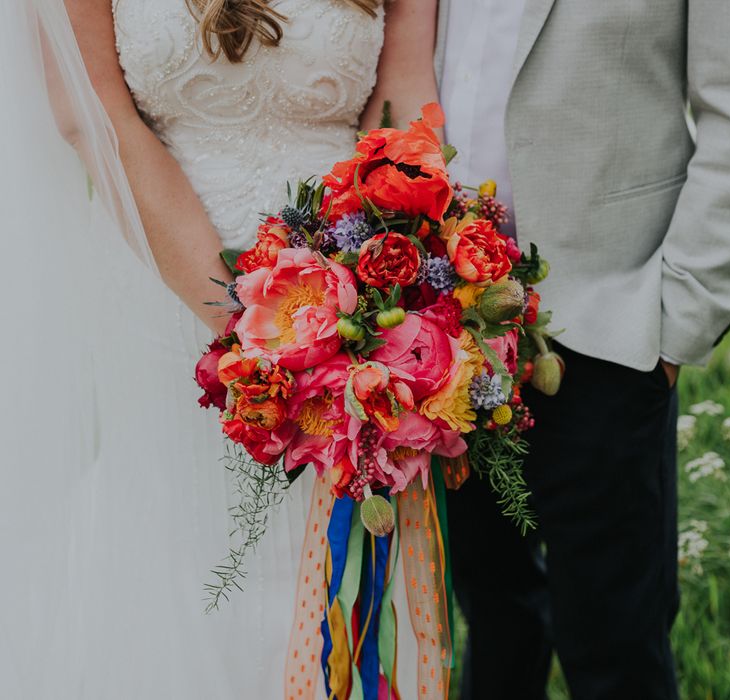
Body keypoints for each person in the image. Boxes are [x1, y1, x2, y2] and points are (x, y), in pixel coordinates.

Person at [0, 0, 439, 697]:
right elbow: (91, 112)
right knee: (188, 555)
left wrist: (392, 284)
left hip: (352, 309)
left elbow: (406, 94)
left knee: (333, 568)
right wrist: (248, 322)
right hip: (165, 291)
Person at [437, 2, 730, 699]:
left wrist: (680, 321)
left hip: (610, 321)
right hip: (445, 321)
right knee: (492, 614)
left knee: (614, 635)